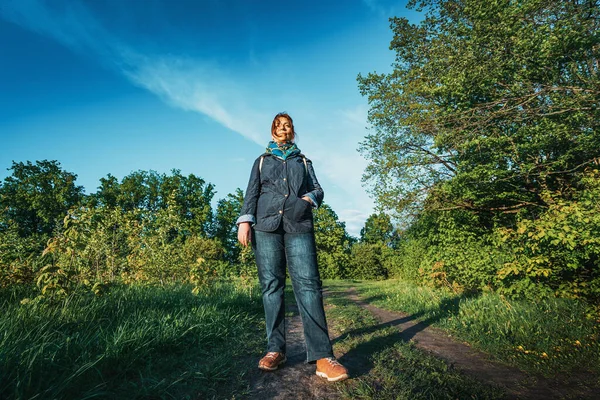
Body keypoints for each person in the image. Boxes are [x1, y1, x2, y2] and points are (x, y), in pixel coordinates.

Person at [236, 112, 349, 382]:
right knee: (271, 286)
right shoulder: (262, 161)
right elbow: (252, 191)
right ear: (273, 131)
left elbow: (318, 189)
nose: (283, 128)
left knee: (308, 285)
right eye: (278, 125)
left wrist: (306, 201)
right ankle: (275, 349)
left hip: (299, 225)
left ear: (293, 131)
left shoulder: (303, 161)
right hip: (266, 226)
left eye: (287, 125)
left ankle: (323, 356)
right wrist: (245, 221)